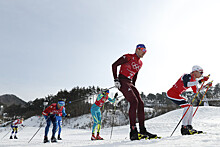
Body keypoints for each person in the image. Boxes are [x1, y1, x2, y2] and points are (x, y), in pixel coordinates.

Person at [112, 44, 157, 140]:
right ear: (137, 49)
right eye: (143, 50)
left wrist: (133, 85)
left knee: (140, 103)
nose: (144, 52)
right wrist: (116, 79)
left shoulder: (140, 63)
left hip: (130, 83)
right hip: (122, 80)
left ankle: (142, 130)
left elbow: (135, 74)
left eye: (146, 51)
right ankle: (133, 131)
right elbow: (114, 65)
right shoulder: (128, 57)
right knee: (134, 102)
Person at [166, 65, 211, 135]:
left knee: (190, 107)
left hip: (177, 94)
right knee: (187, 107)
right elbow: (186, 84)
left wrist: (205, 86)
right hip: (171, 93)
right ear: (195, 71)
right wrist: (200, 81)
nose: (202, 74)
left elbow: (196, 91)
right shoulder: (186, 76)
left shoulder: (194, 80)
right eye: (201, 72)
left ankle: (189, 127)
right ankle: (184, 128)